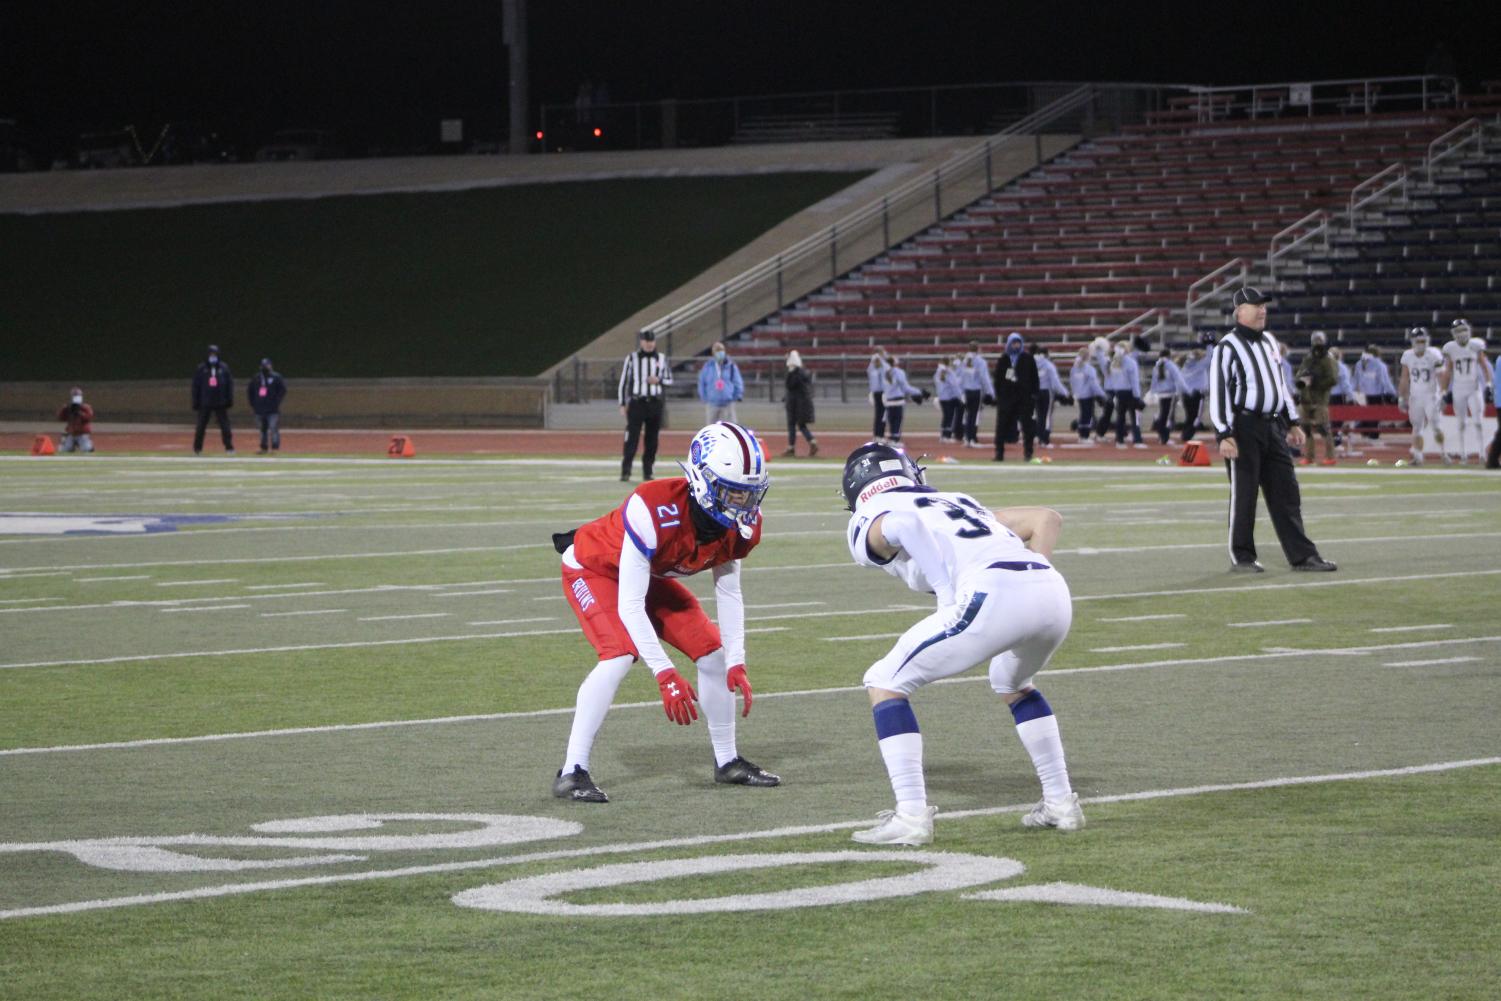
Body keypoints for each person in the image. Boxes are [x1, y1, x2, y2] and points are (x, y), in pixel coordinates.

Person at [838, 443, 1082, 845]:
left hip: (993, 592)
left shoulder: (870, 514)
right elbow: (1046, 518)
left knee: (884, 680)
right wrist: (1031, 577)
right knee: (1010, 680)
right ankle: (1060, 803)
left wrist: (946, 593)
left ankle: (912, 816)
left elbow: (903, 527)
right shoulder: (955, 500)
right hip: (1052, 590)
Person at [549, 421, 780, 803]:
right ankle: (573, 770)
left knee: (714, 655)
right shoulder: (654, 507)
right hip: (594, 567)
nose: (743, 505)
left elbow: (729, 591)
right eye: (733, 493)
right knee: (619, 654)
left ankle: (728, 762)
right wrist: (665, 673)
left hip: (643, 574)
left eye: (749, 495)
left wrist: (738, 660)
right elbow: (629, 605)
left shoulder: (740, 526)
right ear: (702, 480)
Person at [1209, 287, 1336, 573]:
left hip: (1272, 424)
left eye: (1264, 305)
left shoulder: (1268, 340)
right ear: (1240, 311)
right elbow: (1218, 392)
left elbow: (1279, 385)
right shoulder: (1227, 347)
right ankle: (1242, 557)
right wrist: (1224, 433)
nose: (1262, 310)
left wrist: (1291, 422)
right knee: (1244, 495)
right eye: (1256, 306)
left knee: (1286, 493)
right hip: (1243, 427)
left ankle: (1303, 556)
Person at [618, 330, 671, 482]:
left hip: (655, 403)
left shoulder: (661, 358)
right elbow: (624, 382)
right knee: (631, 438)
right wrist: (622, 402)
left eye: (652, 341)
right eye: (647, 341)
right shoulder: (632, 358)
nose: (649, 344)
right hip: (637, 403)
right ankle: (626, 470)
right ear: (641, 342)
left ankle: (648, 471)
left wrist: (658, 380)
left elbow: (669, 379)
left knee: (652, 439)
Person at [1441, 318, 1493, 464]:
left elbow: (1484, 365)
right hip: (1458, 389)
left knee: (1478, 421)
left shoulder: (1476, 345)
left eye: (1464, 330)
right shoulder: (1451, 348)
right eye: (1458, 331)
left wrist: (1488, 384)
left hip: (1474, 388)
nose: (1462, 334)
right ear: (1453, 333)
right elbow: (1448, 371)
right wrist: (1444, 392)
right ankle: (1463, 454)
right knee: (1461, 423)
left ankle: (1482, 453)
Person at [1398, 327, 1449, 466]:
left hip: (1432, 395)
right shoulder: (1408, 355)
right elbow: (1404, 377)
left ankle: (1444, 453)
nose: (1421, 343)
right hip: (1415, 396)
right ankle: (1418, 457)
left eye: (1423, 340)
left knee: (1436, 427)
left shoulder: (1434, 354)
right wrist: (1401, 397)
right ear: (1413, 341)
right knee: (1417, 427)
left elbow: (1441, 375)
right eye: (1418, 340)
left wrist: (1443, 394)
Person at [1294, 332, 1339, 466]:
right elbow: (1300, 374)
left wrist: (1317, 382)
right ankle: (1309, 456)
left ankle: (1330, 456)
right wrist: (1303, 379)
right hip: (1306, 398)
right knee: (1305, 427)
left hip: (1320, 399)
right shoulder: (1309, 358)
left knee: (1323, 427)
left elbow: (1332, 379)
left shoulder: (1329, 359)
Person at [992, 332, 1039, 461]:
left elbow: (1034, 378)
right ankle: (999, 453)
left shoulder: (1028, 358)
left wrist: (1034, 395)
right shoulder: (1004, 359)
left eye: (1018, 342)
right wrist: (999, 395)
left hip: (1024, 398)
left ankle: (1028, 453)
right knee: (1001, 426)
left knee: (1027, 427)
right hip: (1007, 399)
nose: (1016, 345)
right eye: (1013, 342)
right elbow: (998, 379)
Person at [191, 344, 235, 455]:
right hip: (205, 402)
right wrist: (196, 401)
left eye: (215, 354)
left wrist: (229, 399)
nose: (213, 356)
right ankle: (197, 448)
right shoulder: (202, 368)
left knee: (225, 427)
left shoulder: (224, 368)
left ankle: (229, 447)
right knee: (201, 426)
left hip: (220, 402)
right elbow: (196, 386)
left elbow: (229, 384)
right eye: (211, 354)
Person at [1103, 341, 1144, 448]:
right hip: (1130, 392)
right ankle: (1137, 440)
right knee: (1135, 417)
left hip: (1118, 392)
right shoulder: (1131, 362)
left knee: (1120, 417)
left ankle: (1119, 440)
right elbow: (1134, 381)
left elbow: (1112, 379)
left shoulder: (1113, 362)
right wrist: (1137, 395)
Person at [1353, 344, 1398, 439]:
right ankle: (1373, 435)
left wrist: (1354, 393)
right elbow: (1384, 381)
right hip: (1375, 395)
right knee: (1374, 415)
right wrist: (1393, 392)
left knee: (1364, 415)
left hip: (1361, 394)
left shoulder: (1359, 364)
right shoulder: (1380, 365)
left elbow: (1355, 381)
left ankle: (1364, 433)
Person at [1148, 348, 1189, 445]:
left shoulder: (1157, 365)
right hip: (1170, 393)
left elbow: (1154, 380)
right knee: (1167, 417)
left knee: (1163, 415)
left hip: (1160, 394)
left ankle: (1162, 436)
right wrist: (1186, 390)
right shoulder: (1170, 365)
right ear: (1168, 355)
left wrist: (1153, 391)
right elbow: (1178, 378)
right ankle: (1165, 437)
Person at [247, 358, 287, 455]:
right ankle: (263, 447)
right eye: (264, 365)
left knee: (273, 428)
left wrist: (276, 402)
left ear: (271, 366)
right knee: (262, 430)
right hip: (259, 409)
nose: (265, 367)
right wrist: (254, 404)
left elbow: (282, 390)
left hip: (272, 409)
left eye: (267, 365)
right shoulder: (256, 378)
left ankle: (275, 448)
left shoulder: (276, 377)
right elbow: (250, 391)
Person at [696, 342, 743, 425]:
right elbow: (702, 383)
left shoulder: (731, 366)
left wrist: (735, 396)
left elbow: (738, 382)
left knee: (731, 429)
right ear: (713, 353)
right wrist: (704, 397)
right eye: (717, 350)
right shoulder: (708, 366)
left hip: (728, 403)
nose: (719, 353)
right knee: (711, 430)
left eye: (721, 350)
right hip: (712, 403)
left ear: (724, 351)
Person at [1180, 332, 1216, 441]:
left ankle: (1185, 435)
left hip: (1186, 394)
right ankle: (1187, 435)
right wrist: (1209, 344)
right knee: (1196, 417)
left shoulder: (1186, 366)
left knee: (1189, 416)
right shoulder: (1199, 365)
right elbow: (1210, 357)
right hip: (1197, 394)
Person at [958, 341, 993, 448]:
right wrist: (990, 392)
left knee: (967, 415)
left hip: (966, 391)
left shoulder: (964, 361)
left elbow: (960, 377)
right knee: (974, 416)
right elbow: (984, 378)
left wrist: (961, 392)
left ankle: (967, 438)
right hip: (975, 391)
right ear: (978, 349)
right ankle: (972, 438)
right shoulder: (980, 361)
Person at [783, 350, 818, 457]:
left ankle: (791, 447)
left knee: (792, 425)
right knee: (801, 425)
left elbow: (790, 386)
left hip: (796, 403)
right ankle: (811, 441)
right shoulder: (804, 373)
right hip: (803, 402)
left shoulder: (794, 373)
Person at [1033, 345, 1068, 448]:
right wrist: (1065, 393)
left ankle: (1039, 438)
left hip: (1035, 392)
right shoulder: (1048, 365)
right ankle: (1045, 440)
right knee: (1046, 417)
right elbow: (1055, 382)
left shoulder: (1033, 364)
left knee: (1039, 416)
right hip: (1046, 392)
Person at [1068, 347, 1105, 442]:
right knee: (1087, 416)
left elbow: (1072, 382)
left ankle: (1081, 436)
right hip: (1088, 395)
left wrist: (1075, 393)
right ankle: (1085, 436)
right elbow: (1094, 384)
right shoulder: (1089, 369)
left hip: (1079, 395)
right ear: (1088, 357)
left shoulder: (1074, 369)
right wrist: (1102, 394)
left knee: (1083, 415)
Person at [881, 357, 919, 445]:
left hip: (889, 401)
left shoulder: (884, 372)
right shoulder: (899, 372)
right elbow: (905, 387)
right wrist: (918, 392)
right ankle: (895, 440)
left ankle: (892, 439)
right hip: (898, 400)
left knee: (891, 420)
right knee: (897, 421)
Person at [56, 386, 95, 453]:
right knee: (64, 450)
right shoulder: (68, 408)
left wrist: (79, 412)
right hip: (71, 433)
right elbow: (61, 418)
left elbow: (89, 417)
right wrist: (64, 409)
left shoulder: (85, 407)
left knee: (87, 450)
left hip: (82, 433)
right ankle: (70, 447)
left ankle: (88, 446)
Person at [935, 355, 963, 443]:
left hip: (942, 397)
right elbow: (954, 385)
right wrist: (960, 396)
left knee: (946, 416)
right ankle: (947, 436)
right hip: (949, 397)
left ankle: (943, 435)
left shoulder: (938, 372)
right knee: (949, 417)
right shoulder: (948, 372)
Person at [867, 348, 890, 442]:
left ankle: (877, 435)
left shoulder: (871, 366)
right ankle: (880, 435)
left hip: (876, 392)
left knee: (878, 414)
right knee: (882, 414)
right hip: (882, 392)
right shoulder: (882, 366)